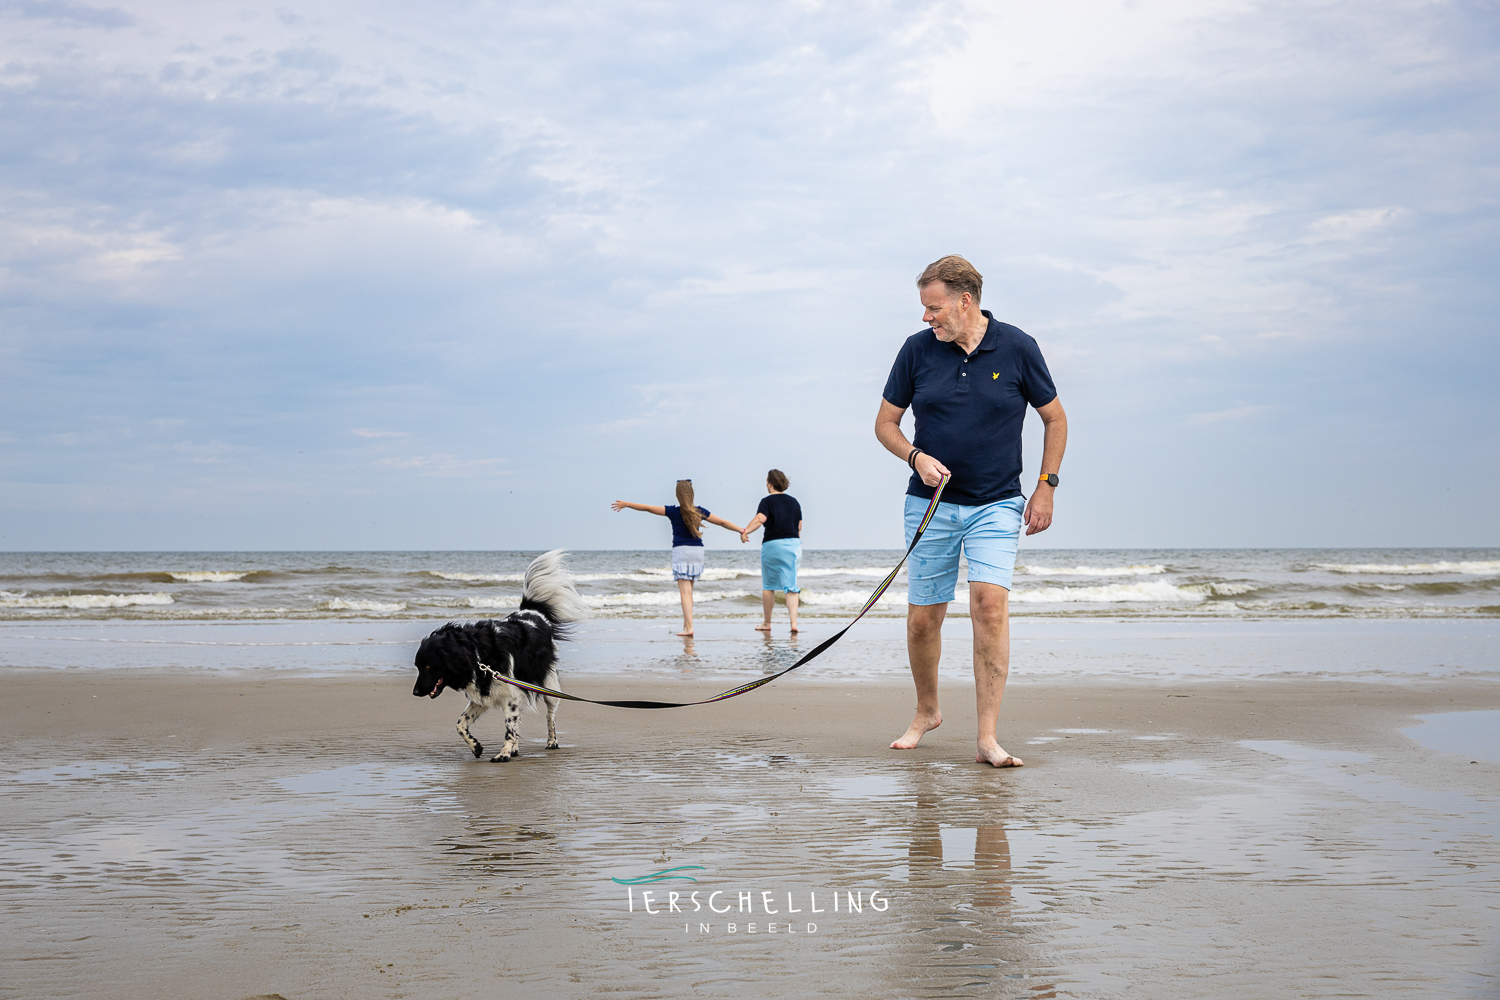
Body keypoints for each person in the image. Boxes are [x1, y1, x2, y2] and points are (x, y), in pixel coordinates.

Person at [874, 255, 1068, 768]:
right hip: (930, 503)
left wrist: (1046, 487)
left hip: (998, 502)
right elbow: (885, 425)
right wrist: (915, 456)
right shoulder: (916, 352)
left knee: (988, 607)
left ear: (965, 301)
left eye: (933, 308)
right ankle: (927, 711)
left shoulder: (1018, 347)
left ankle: (987, 737)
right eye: (924, 309)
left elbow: (1055, 419)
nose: (925, 318)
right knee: (923, 620)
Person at [611, 480, 744, 637]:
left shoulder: (673, 511)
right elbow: (722, 522)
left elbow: (647, 508)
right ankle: (687, 625)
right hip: (697, 552)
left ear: (678, 495)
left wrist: (627, 503)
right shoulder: (699, 511)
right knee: (690, 592)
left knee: (685, 593)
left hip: (682, 551)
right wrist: (741, 530)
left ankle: (689, 628)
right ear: (692, 493)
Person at [738, 469, 804, 633]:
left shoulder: (766, 501)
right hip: (794, 544)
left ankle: (767, 623)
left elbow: (760, 519)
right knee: (791, 585)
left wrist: (745, 531)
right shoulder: (794, 502)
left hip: (773, 545)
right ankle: (793, 623)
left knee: (768, 586)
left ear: (770, 483)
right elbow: (799, 526)